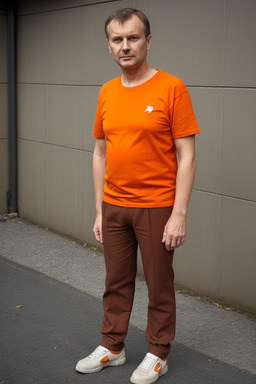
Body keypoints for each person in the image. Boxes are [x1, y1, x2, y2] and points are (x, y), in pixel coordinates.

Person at [76, 8, 199, 384]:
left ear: (148, 41)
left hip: (157, 206)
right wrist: (99, 209)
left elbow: (187, 154)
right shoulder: (106, 92)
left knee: (159, 283)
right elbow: (100, 152)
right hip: (114, 206)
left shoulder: (171, 87)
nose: (125, 46)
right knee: (116, 280)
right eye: (117, 39)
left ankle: (158, 352)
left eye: (132, 38)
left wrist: (178, 214)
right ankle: (113, 346)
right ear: (109, 45)